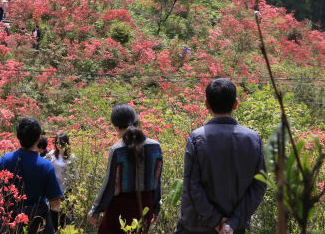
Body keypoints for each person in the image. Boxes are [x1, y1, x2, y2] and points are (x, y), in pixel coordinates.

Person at [175, 79, 266, 234]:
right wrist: (233, 222)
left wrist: (216, 220)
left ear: (207, 104)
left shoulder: (197, 138)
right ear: (236, 104)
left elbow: (192, 186)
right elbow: (259, 186)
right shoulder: (252, 139)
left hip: (197, 226)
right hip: (234, 228)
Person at [88, 104, 163, 234]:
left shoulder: (117, 150)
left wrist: (96, 209)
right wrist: (156, 207)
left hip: (120, 208)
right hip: (146, 205)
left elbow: (110, 184)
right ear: (136, 121)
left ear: (116, 126)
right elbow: (157, 181)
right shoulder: (155, 147)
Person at [0, 117, 63, 234]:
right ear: (38, 138)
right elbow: (55, 204)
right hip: (37, 224)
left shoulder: (5, 160)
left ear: (18, 137)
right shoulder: (46, 166)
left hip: (9, 223)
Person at [47, 133, 76, 229]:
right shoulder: (51, 155)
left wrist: (74, 194)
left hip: (66, 189)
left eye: (61, 143)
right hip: (54, 188)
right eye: (57, 143)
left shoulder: (72, 158)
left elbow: (74, 176)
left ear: (66, 144)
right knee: (53, 214)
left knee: (64, 215)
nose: (59, 145)